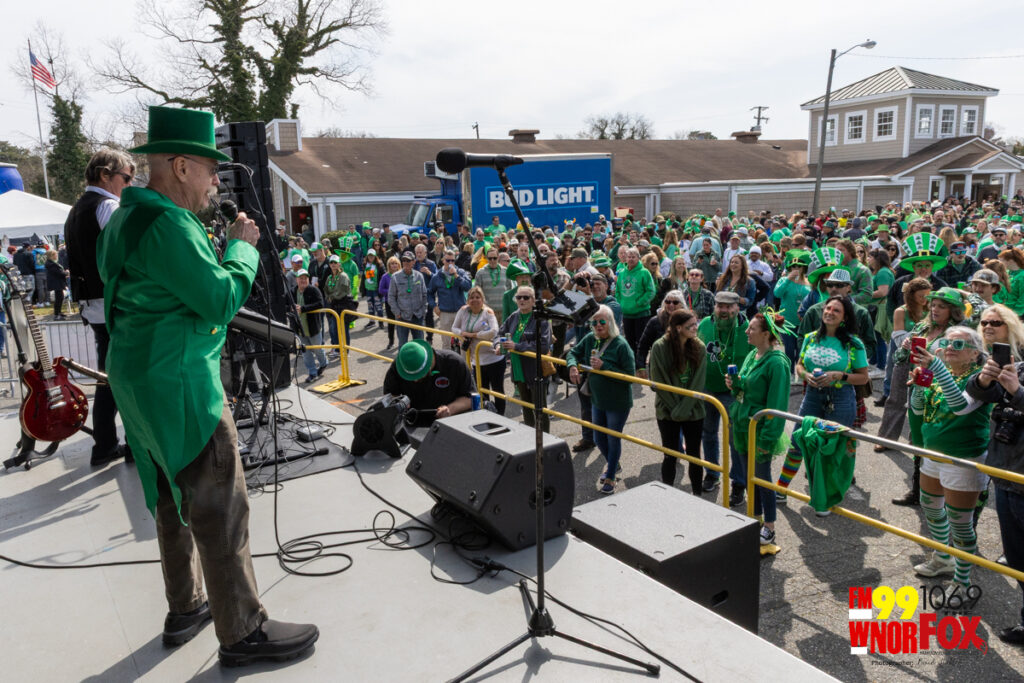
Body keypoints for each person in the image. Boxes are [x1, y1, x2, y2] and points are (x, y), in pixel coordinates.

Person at [96, 106, 317, 664]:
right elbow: (219, 299)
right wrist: (242, 248)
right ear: (179, 167)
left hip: (138, 380)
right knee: (219, 505)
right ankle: (242, 631)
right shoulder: (168, 224)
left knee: (168, 497)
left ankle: (187, 605)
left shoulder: (124, 218)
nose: (216, 181)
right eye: (210, 169)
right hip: (180, 384)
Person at [64, 147, 136, 467]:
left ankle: (105, 444)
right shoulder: (107, 206)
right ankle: (132, 445)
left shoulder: (77, 209)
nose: (129, 185)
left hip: (94, 305)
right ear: (106, 175)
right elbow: (127, 254)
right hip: (114, 304)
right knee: (128, 377)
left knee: (110, 376)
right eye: (126, 178)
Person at [908, 326, 992, 600]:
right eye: (946, 342)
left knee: (961, 524)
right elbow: (918, 410)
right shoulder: (940, 374)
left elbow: (960, 407)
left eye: (958, 344)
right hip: (933, 455)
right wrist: (919, 383)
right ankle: (943, 557)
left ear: (975, 354)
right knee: (930, 507)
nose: (948, 348)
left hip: (963, 459)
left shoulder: (980, 380)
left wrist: (934, 367)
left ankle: (963, 581)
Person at [777, 296, 870, 511]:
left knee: (831, 450)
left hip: (841, 400)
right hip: (812, 396)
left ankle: (825, 499)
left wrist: (839, 376)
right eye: (828, 308)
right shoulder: (811, 338)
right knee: (797, 441)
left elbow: (863, 377)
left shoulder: (854, 343)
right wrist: (805, 375)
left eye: (836, 310)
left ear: (845, 317)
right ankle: (780, 489)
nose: (830, 313)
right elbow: (799, 365)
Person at [966, 311, 1024, 644]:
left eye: (995, 323)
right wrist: (985, 379)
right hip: (1004, 472)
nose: (988, 327)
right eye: (985, 323)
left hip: (1020, 475)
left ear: (1010, 327)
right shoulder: (1001, 360)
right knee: (1016, 557)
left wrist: (1017, 390)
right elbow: (978, 393)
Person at [882, 287, 965, 505]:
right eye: (933, 305)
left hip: (943, 395)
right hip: (918, 390)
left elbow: (965, 365)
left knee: (938, 443)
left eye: (942, 306)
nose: (935, 309)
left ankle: (944, 494)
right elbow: (900, 359)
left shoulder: (959, 333)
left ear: (953, 310)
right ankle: (917, 491)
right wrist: (905, 347)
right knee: (918, 442)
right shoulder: (922, 327)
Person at [725, 309, 792, 545]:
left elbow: (777, 406)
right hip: (742, 426)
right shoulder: (752, 354)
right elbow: (745, 389)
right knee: (748, 476)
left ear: (766, 334)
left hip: (760, 431)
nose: (746, 331)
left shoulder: (777, 363)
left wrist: (766, 440)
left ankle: (769, 526)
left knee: (762, 478)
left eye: (751, 328)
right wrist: (735, 384)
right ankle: (754, 519)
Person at [567, 305, 636, 495]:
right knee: (598, 438)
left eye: (602, 322)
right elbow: (572, 352)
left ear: (611, 322)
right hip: (597, 399)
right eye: (594, 322)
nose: (598, 325)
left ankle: (611, 476)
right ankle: (614, 463)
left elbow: (630, 376)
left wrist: (605, 367)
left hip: (617, 402)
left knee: (613, 439)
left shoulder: (621, 344)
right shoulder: (591, 338)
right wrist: (572, 366)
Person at [698, 291, 752, 502]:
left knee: (735, 439)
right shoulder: (705, 324)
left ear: (737, 308)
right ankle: (712, 473)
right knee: (708, 432)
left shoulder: (748, 329)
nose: (724, 310)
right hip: (707, 388)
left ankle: (739, 482)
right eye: (720, 306)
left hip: (734, 392)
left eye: (729, 307)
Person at [649, 309, 707, 495]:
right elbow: (658, 382)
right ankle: (668, 494)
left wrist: (683, 409)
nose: (695, 328)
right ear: (678, 328)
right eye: (691, 325)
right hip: (668, 411)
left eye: (696, 323)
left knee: (694, 455)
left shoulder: (699, 346)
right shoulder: (659, 347)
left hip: (693, 411)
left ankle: (697, 494)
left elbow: (698, 382)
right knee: (670, 455)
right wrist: (677, 410)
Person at [382, 339, 474, 426]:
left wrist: (449, 409)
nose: (415, 380)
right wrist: (398, 405)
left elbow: (470, 399)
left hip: (448, 425)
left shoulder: (454, 363)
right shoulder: (401, 365)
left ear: (429, 366)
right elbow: (390, 398)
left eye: (418, 375)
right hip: (412, 424)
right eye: (409, 377)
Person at [497, 286, 551, 432]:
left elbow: (543, 345)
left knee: (540, 409)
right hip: (518, 369)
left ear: (533, 300)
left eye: (526, 297)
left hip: (535, 371)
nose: (522, 300)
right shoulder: (514, 316)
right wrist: (498, 345)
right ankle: (529, 436)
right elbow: (499, 334)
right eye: (519, 297)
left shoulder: (540, 318)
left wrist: (517, 346)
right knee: (526, 407)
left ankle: (545, 439)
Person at [452, 286, 504, 414]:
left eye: (477, 297)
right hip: (476, 361)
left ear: (483, 299)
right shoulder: (463, 311)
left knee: (497, 391)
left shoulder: (488, 312)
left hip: (493, 359)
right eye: (471, 297)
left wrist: (474, 335)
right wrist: (463, 333)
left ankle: (500, 416)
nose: (474, 300)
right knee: (482, 392)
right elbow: (454, 328)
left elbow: (494, 331)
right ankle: (487, 416)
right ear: (467, 300)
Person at [773, 250, 811, 371]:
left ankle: (799, 373)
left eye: (799, 266)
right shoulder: (784, 280)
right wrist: (789, 278)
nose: (796, 268)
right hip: (787, 321)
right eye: (793, 266)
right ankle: (789, 373)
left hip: (803, 321)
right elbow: (777, 294)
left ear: (803, 268)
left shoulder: (809, 282)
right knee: (789, 349)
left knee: (801, 349)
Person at [636, 289, 685, 379]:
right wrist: (641, 366)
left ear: (682, 305)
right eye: (667, 302)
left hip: (681, 368)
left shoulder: (687, 321)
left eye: (675, 302)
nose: (671, 305)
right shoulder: (655, 321)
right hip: (658, 367)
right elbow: (643, 345)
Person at [429, 248, 472, 347]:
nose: (450, 263)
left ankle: (462, 357)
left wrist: (456, 276)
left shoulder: (460, 272)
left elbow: (468, 287)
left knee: (463, 343)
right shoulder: (437, 276)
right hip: (445, 313)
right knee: (446, 343)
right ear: (443, 260)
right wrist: (434, 306)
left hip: (460, 312)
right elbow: (429, 293)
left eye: (452, 260)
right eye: (448, 260)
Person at [617, 247, 657, 350]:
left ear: (638, 258)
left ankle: (640, 360)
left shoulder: (644, 272)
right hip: (626, 314)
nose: (630, 259)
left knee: (641, 342)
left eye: (633, 257)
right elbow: (618, 291)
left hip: (641, 313)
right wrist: (621, 303)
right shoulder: (622, 273)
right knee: (629, 342)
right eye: (629, 257)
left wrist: (640, 303)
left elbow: (651, 291)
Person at [387, 251, 428, 348]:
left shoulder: (419, 276)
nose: (406, 263)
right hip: (402, 317)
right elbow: (391, 297)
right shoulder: (395, 277)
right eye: (404, 260)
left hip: (417, 316)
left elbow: (424, 295)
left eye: (408, 261)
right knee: (403, 345)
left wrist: (423, 311)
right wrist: (397, 312)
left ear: (414, 262)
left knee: (419, 345)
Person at [294, 270, 328, 383]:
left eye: (305, 278)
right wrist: (292, 308)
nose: (303, 280)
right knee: (306, 353)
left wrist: (303, 308)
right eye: (301, 278)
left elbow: (320, 304)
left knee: (318, 350)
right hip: (300, 329)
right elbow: (285, 304)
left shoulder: (313, 290)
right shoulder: (292, 291)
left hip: (313, 328)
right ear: (296, 279)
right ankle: (312, 373)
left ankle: (324, 363)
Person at [322, 255, 352, 353]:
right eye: (331, 262)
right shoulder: (330, 277)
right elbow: (326, 289)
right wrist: (328, 297)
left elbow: (343, 291)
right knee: (334, 329)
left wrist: (331, 297)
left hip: (343, 305)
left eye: (335, 262)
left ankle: (346, 351)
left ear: (339, 264)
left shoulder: (343, 276)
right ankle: (338, 349)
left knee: (344, 329)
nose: (333, 264)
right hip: (333, 306)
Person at [474, 245, 510, 313]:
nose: (492, 260)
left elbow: (509, 290)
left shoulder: (505, 271)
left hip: (503, 311)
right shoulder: (480, 273)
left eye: (494, 258)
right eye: (490, 258)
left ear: (498, 258)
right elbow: (477, 292)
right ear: (486, 258)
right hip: (487, 311)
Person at [359, 249, 385, 330]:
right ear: (367, 256)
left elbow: (383, 277)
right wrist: (362, 288)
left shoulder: (379, 265)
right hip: (368, 289)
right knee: (370, 306)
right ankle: (372, 321)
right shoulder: (365, 264)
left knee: (378, 306)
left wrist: (381, 288)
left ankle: (381, 322)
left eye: (372, 255)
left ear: (375, 256)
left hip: (376, 289)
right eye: (369, 255)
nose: (371, 257)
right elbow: (363, 277)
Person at [380, 256, 400, 350]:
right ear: (389, 265)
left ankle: (401, 341)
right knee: (391, 323)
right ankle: (391, 341)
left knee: (400, 323)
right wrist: (391, 291)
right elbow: (381, 290)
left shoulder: (401, 275)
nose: (394, 265)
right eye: (392, 263)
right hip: (389, 303)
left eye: (396, 263)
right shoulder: (385, 276)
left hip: (400, 303)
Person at [998, 247, 1024, 317]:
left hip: (1016, 314)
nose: (1000, 264)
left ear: (1010, 261)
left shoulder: (1022, 276)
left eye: (1002, 261)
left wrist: (1016, 314)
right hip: (1004, 311)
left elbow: (1022, 298)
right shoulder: (1006, 273)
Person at [45, 250, 69, 319]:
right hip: (56, 283)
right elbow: (59, 272)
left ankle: (59, 312)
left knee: (60, 298)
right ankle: (57, 314)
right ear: (52, 256)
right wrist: (66, 273)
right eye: (55, 254)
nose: (57, 256)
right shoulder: (51, 264)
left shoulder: (52, 263)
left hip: (58, 282)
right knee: (59, 298)